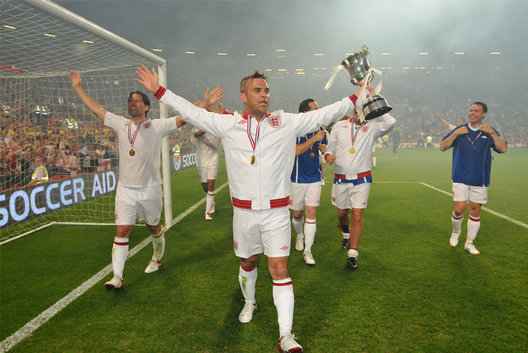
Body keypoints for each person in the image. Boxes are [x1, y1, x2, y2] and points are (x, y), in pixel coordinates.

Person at [136, 65, 365, 353]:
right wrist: (160, 90)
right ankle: (249, 301)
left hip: (276, 213)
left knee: (279, 268)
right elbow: (193, 113)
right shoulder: (229, 124)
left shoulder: (284, 123)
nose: (264, 94)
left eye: (266, 90)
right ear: (243, 96)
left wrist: (357, 96)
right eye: (257, 90)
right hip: (243, 214)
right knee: (249, 263)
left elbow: (323, 115)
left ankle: (286, 336)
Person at [70, 71, 188, 290]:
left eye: (136, 100)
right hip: (125, 190)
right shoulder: (121, 123)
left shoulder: (157, 126)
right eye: (129, 100)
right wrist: (77, 87)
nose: (131, 103)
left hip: (150, 190)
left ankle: (157, 257)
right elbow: (97, 109)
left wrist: (204, 107)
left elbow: (183, 119)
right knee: (122, 231)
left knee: (154, 228)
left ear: (146, 107)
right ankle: (117, 277)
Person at [324, 103, 396, 271]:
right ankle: (345, 234)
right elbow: (330, 147)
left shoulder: (373, 127)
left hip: (362, 179)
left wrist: (376, 105)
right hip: (341, 178)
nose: (358, 114)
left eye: (362, 111)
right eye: (356, 110)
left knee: (357, 215)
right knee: (342, 214)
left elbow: (391, 121)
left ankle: (353, 255)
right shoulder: (340, 126)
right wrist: (327, 155)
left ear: (367, 112)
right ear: (353, 111)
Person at [439, 102, 507, 255]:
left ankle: (469, 243)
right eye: (470, 110)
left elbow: (503, 149)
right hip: (460, 176)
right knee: (459, 209)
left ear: (484, 114)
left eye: (476, 111)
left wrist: (494, 134)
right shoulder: (460, 130)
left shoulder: (489, 132)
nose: (472, 113)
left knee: (475, 210)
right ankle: (456, 232)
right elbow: (443, 146)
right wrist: (456, 134)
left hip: (480, 178)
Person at [290, 98, 327, 266]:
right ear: (305, 113)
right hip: (296, 179)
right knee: (297, 214)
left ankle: (308, 251)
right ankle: (299, 235)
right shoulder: (294, 129)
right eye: (315, 109)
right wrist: (313, 140)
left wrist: (328, 153)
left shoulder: (320, 130)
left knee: (311, 213)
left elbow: (327, 151)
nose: (318, 112)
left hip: (314, 178)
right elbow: (294, 152)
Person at [192, 128, 220, 221]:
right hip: (201, 161)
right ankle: (212, 203)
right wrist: (207, 126)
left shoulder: (214, 127)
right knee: (205, 187)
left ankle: (207, 212)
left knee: (211, 185)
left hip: (213, 159)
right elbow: (197, 134)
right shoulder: (195, 127)